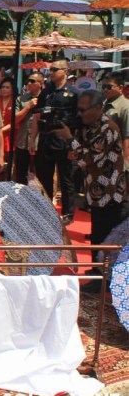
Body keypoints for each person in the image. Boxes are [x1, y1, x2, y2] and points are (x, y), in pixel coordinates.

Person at [53, 90, 126, 289]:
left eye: (83, 110)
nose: (79, 114)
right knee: (97, 234)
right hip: (96, 191)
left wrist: (69, 139)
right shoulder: (90, 127)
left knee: (104, 236)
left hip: (108, 192)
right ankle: (99, 273)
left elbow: (89, 158)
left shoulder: (107, 128)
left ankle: (103, 277)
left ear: (97, 108)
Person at [35, 59, 78, 225]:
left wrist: (74, 143)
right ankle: (46, 210)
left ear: (65, 71)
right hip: (46, 140)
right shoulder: (46, 92)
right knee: (44, 177)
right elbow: (38, 115)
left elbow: (78, 120)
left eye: (55, 69)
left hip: (64, 140)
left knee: (66, 178)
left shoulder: (74, 93)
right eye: (50, 69)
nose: (51, 72)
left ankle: (68, 212)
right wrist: (34, 139)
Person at [14, 73, 44, 184]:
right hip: (23, 141)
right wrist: (28, 107)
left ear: (40, 83)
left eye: (32, 81)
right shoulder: (21, 99)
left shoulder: (46, 98)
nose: (29, 83)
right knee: (21, 174)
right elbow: (15, 119)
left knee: (41, 175)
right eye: (27, 81)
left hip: (40, 143)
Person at [0, 77, 15, 156]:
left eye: (7, 87)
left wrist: (1, 130)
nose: (4, 89)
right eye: (3, 87)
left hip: (10, 137)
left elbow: (15, 122)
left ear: (12, 89)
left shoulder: (15, 102)